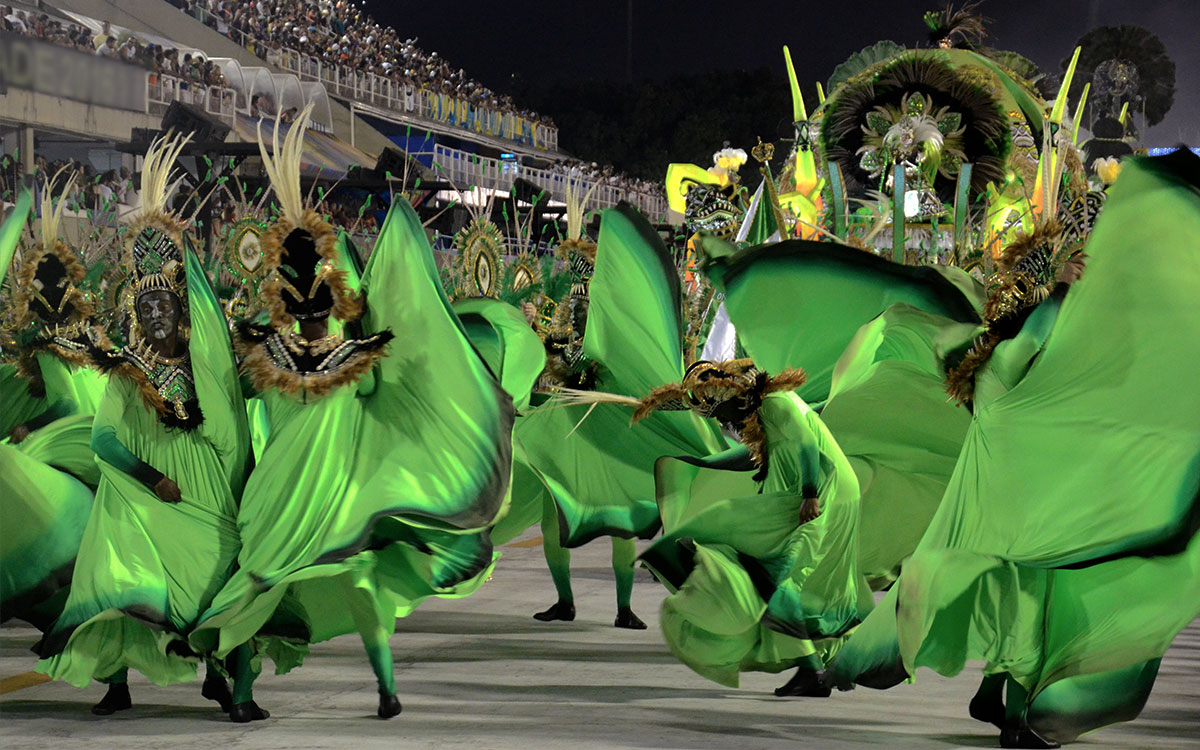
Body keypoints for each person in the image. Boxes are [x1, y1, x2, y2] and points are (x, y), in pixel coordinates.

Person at [826, 150, 1200, 748]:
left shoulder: (994, 354)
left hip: (996, 488)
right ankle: (1026, 716)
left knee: (1010, 586)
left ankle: (997, 690)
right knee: (1036, 594)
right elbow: (1070, 345)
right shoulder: (1035, 336)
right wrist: (1069, 294)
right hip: (1020, 493)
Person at [190, 108, 515, 719]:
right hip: (293, 497)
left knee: (272, 586)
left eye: (319, 298)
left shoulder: (294, 352)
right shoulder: (306, 353)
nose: (314, 310)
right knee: (266, 587)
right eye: (305, 298)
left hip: (325, 499)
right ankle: (251, 690)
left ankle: (370, 691)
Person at [35, 133, 257, 720]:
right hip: (144, 490)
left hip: (204, 489)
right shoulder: (126, 372)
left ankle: (237, 690)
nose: (158, 315)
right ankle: (116, 684)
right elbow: (103, 440)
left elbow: (236, 415)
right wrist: (150, 476)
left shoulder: (207, 367)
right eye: (147, 308)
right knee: (116, 571)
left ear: (184, 314)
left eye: (167, 307)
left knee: (230, 579)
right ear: (135, 313)